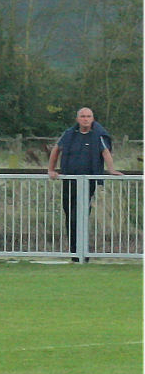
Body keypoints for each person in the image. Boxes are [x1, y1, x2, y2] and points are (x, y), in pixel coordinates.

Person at [48, 107, 123, 262]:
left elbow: (105, 152)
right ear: (77, 119)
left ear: (93, 119)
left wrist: (111, 169)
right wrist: (51, 170)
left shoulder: (98, 135)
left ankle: (83, 253)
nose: (85, 119)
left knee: (80, 217)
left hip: (87, 184)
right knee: (69, 216)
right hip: (69, 181)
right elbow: (56, 149)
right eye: (82, 116)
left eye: (88, 116)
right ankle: (75, 254)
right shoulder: (69, 134)